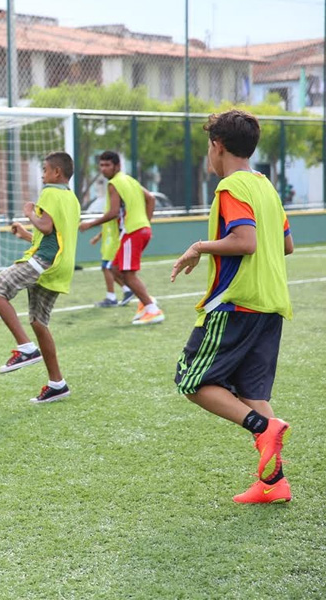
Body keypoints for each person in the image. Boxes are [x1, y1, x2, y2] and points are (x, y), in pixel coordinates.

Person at [171, 109, 294, 504]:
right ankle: (274, 483)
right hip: (270, 304)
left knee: (191, 381)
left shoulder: (231, 187)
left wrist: (199, 246)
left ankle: (262, 427)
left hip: (236, 304)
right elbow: (287, 245)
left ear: (218, 146)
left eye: (208, 146)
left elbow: (245, 242)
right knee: (252, 391)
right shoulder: (265, 187)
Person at [0, 151, 80, 404]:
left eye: (45, 170)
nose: (42, 175)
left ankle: (25, 348)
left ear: (57, 172)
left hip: (44, 262)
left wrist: (29, 212)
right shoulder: (72, 198)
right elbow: (53, 235)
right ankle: (57, 384)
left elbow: (45, 227)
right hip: (60, 265)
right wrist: (26, 234)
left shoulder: (49, 192)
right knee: (39, 322)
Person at [80, 151, 163, 324]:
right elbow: (151, 198)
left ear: (117, 166)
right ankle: (146, 302)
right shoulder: (130, 180)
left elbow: (113, 213)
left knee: (127, 273)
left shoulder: (114, 183)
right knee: (115, 268)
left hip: (132, 231)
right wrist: (146, 223)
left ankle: (153, 310)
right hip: (139, 230)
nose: (103, 169)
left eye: (107, 165)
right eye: (101, 165)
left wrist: (90, 224)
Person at [89, 221, 133, 308]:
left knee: (107, 268)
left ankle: (111, 297)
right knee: (110, 269)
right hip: (109, 243)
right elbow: (108, 223)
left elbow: (117, 221)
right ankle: (127, 290)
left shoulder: (116, 213)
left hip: (114, 243)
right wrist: (99, 236)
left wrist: (90, 224)